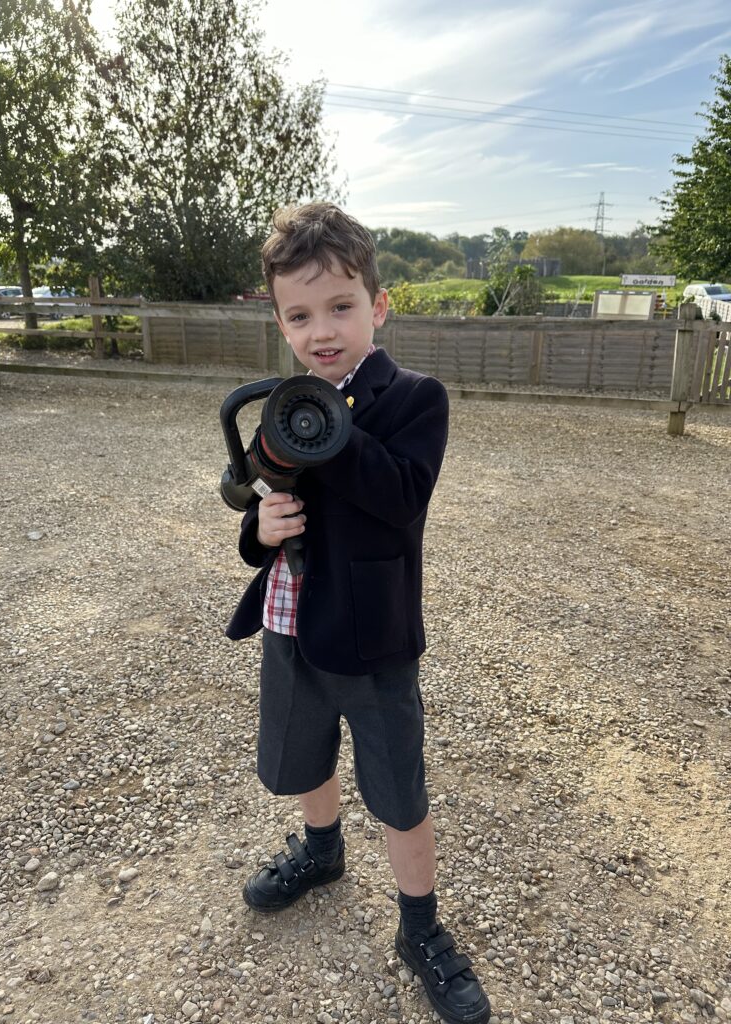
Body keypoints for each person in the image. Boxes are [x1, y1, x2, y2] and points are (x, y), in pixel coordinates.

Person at [225, 202, 491, 1024]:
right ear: (279, 321)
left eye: (340, 307)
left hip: (374, 639)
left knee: (398, 785)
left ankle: (420, 926)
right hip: (291, 617)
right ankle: (322, 850)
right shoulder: (282, 404)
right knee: (305, 754)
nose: (322, 330)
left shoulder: (414, 398)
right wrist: (255, 525)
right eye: (299, 315)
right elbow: (254, 499)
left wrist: (329, 430)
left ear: (379, 305)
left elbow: (400, 499)